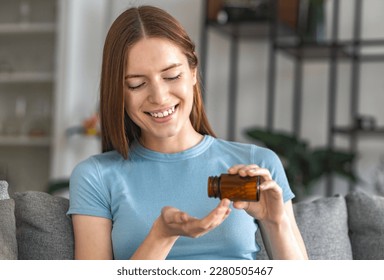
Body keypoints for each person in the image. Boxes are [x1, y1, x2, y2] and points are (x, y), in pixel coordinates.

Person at [67, 5, 308, 260]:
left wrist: (275, 222)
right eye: (137, 84)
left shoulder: (258, 164)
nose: (159, 97)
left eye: (171, 76)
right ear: (119, 91)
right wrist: (161, 236)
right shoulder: (96, 177)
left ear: (193, 72)